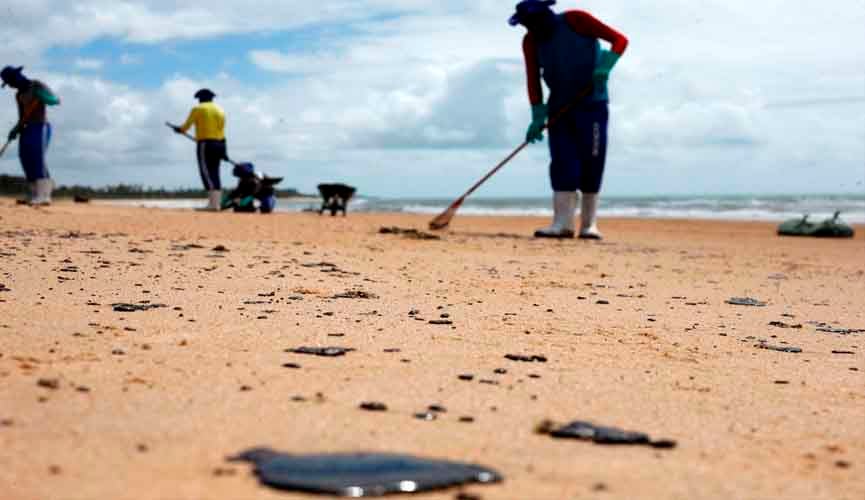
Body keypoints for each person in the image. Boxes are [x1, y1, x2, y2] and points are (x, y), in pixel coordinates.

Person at [509, 0, 628, 239]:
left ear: (545, 15)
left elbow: (620, 40)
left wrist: (605, 66)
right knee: (562, 163)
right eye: (526, 26)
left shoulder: (576, 19)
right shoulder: (531, 41)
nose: (530, 29)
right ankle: (561, 224)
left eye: (532, 23)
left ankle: (588, 225)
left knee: (592, 162)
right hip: (559, 109)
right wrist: (537, 115)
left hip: (592, 104)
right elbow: (533, 78)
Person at [2, 66, 60, 205]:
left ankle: (44, 195)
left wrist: (44, 96)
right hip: (27, 128)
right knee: (25, 158)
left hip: (40, 126)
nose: (10, 86)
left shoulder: (37, 85)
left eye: (10, 82)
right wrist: (16, 129)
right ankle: (34, 194)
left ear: (17, 76)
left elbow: (55, 100)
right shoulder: (18, 95)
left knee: (36, 157)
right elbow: (22, 116)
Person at [172, 89, 227, 211]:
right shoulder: (220, 110)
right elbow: (222, 131)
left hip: (205, 144)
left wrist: (179, 130)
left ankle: (213, 205)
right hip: (220, 144)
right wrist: (225, 151)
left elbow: (185, 127)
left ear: (201, 98)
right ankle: (216, 204)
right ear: (212, 98)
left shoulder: (198, 109)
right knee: (215, 172)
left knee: (206, 172)